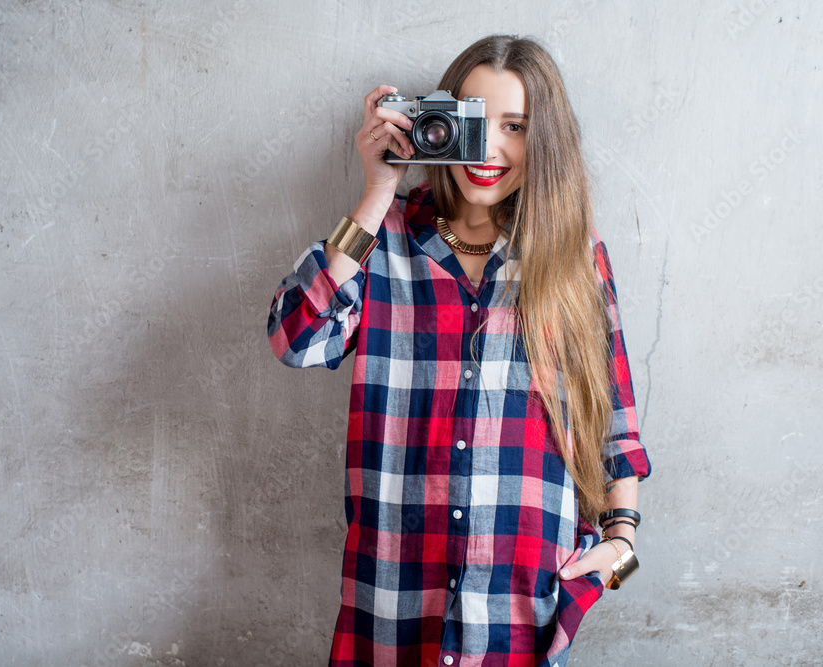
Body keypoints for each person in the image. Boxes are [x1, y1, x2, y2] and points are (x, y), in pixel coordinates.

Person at [267, 35, 651, 667]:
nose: (491, 149)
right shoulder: (383, 240)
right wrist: (376, 191)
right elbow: (296, 337)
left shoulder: (576, 259)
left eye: (516, 126)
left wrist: (619, 556)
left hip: (523, 612)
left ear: (545, 140)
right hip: (390, 608)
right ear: (438, 119)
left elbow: (616, 427)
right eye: (474, 121)